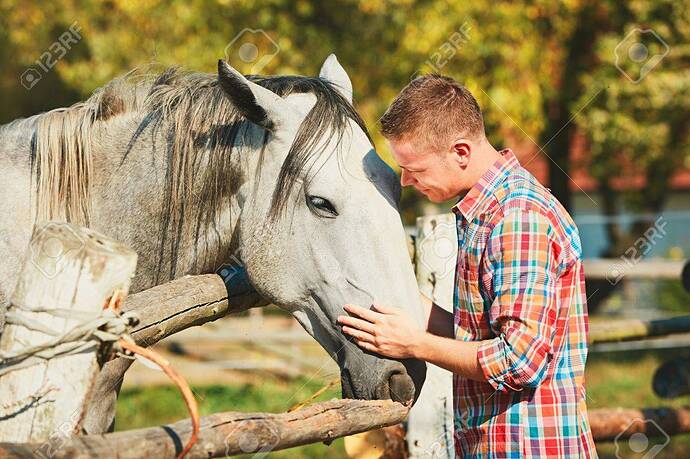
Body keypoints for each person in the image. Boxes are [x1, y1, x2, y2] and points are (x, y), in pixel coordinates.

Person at [337, 74, 598, 458]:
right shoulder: (486, 213)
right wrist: (409, 305)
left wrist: (415, 343)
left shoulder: (517, 217)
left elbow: (519, 361)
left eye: (415, 169)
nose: (406, 182)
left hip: (528, 447)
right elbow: (479, 333)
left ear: (460, 152)